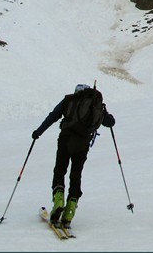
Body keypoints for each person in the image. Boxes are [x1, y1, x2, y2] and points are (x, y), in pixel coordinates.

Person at [32, 84, 116, 228]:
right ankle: (70, 209)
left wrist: (38, 132)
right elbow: (110, 123)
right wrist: (104, 110)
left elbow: (52, 117)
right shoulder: (93, 105)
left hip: (65, 140)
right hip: (82, 144)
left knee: (60, 170)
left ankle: (58, 201)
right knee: (76, 175)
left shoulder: (69, 100)